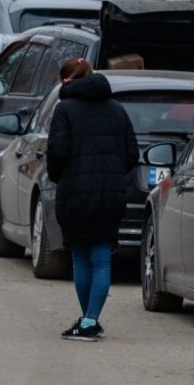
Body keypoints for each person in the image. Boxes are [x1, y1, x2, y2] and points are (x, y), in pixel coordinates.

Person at [46, 57, 139, 341]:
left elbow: (57, 152)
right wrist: (111, 176)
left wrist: (58, 175)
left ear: (68, 80)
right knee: (101, 259)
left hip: (74, 193)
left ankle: (87, 321)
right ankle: (89, 319)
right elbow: (131, 155)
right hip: (110, 195)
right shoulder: (117, 110)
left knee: (80, 259)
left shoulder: (64, 109)